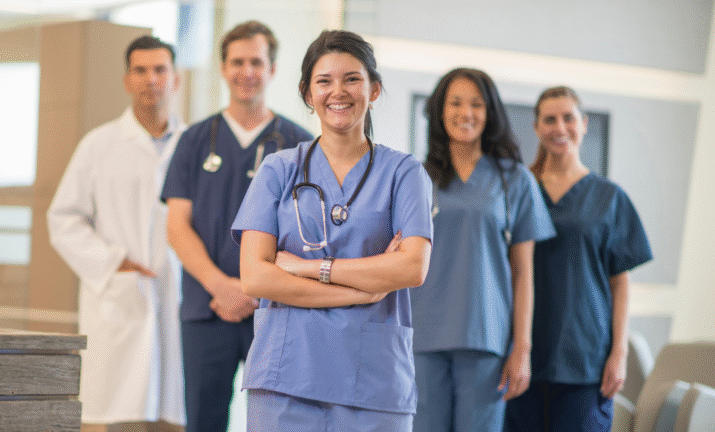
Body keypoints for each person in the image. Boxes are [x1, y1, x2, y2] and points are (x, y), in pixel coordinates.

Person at [232, 30, 433, 431]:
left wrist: (308, 267)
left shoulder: (404, 173)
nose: (337, 91)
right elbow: (255, 276)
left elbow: (412, 268)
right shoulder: (278, 169)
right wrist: (366, 288)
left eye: (352, 79)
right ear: (308, 94)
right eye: (324, 81)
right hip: (287, 377)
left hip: (373, 381)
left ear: (374, 89)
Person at [161, 21, 312, 432]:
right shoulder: (194, 140)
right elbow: (177, 227)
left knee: (282, 421)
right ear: (223, 69)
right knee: (204, 421)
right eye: (238, 62)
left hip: (274, 310)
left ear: (273, 69)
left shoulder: (299, 145)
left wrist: (250, 288)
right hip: (206, 309)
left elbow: (306, 237)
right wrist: (220, 286)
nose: (247, 71)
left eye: (257, 62)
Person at [48, 35, 185, 431]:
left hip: (178, 297)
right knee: (121, 416)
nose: (151, 80)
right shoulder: (99, 144)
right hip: (120, 297)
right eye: (140, 70)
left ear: (175, 79)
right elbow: (64, 218)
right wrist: (113, 262)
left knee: (176, 414)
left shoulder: (193, 144)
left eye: (160, 70)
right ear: (126, 80)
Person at [410, 68, 556, 432]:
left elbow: (523, 272)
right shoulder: (415, 178)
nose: (466, 112)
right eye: (455, 102)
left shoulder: (515, 179)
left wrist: (521, 348)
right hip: (422, 335)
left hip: (485, 335)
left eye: (476, 104)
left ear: (490, 113)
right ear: (440, 111)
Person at [504, 86, 653, 432]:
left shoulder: (609, 197)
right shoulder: (519, 190)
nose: (560, 127)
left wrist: (620, 353)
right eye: (550, 119)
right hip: (521, 355)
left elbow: (620, 283)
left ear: (583, 123)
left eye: (568, 118)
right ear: (537, 127)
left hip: (585, 358)